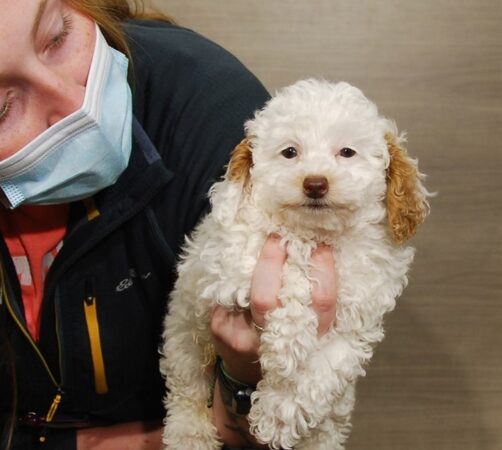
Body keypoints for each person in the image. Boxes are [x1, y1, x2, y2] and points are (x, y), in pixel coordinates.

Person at [0, 1, 338, 449]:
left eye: (58, 35)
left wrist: (243, 379)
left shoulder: (210, 110)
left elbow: (280, 430)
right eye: (2, 109)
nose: (72, 102)